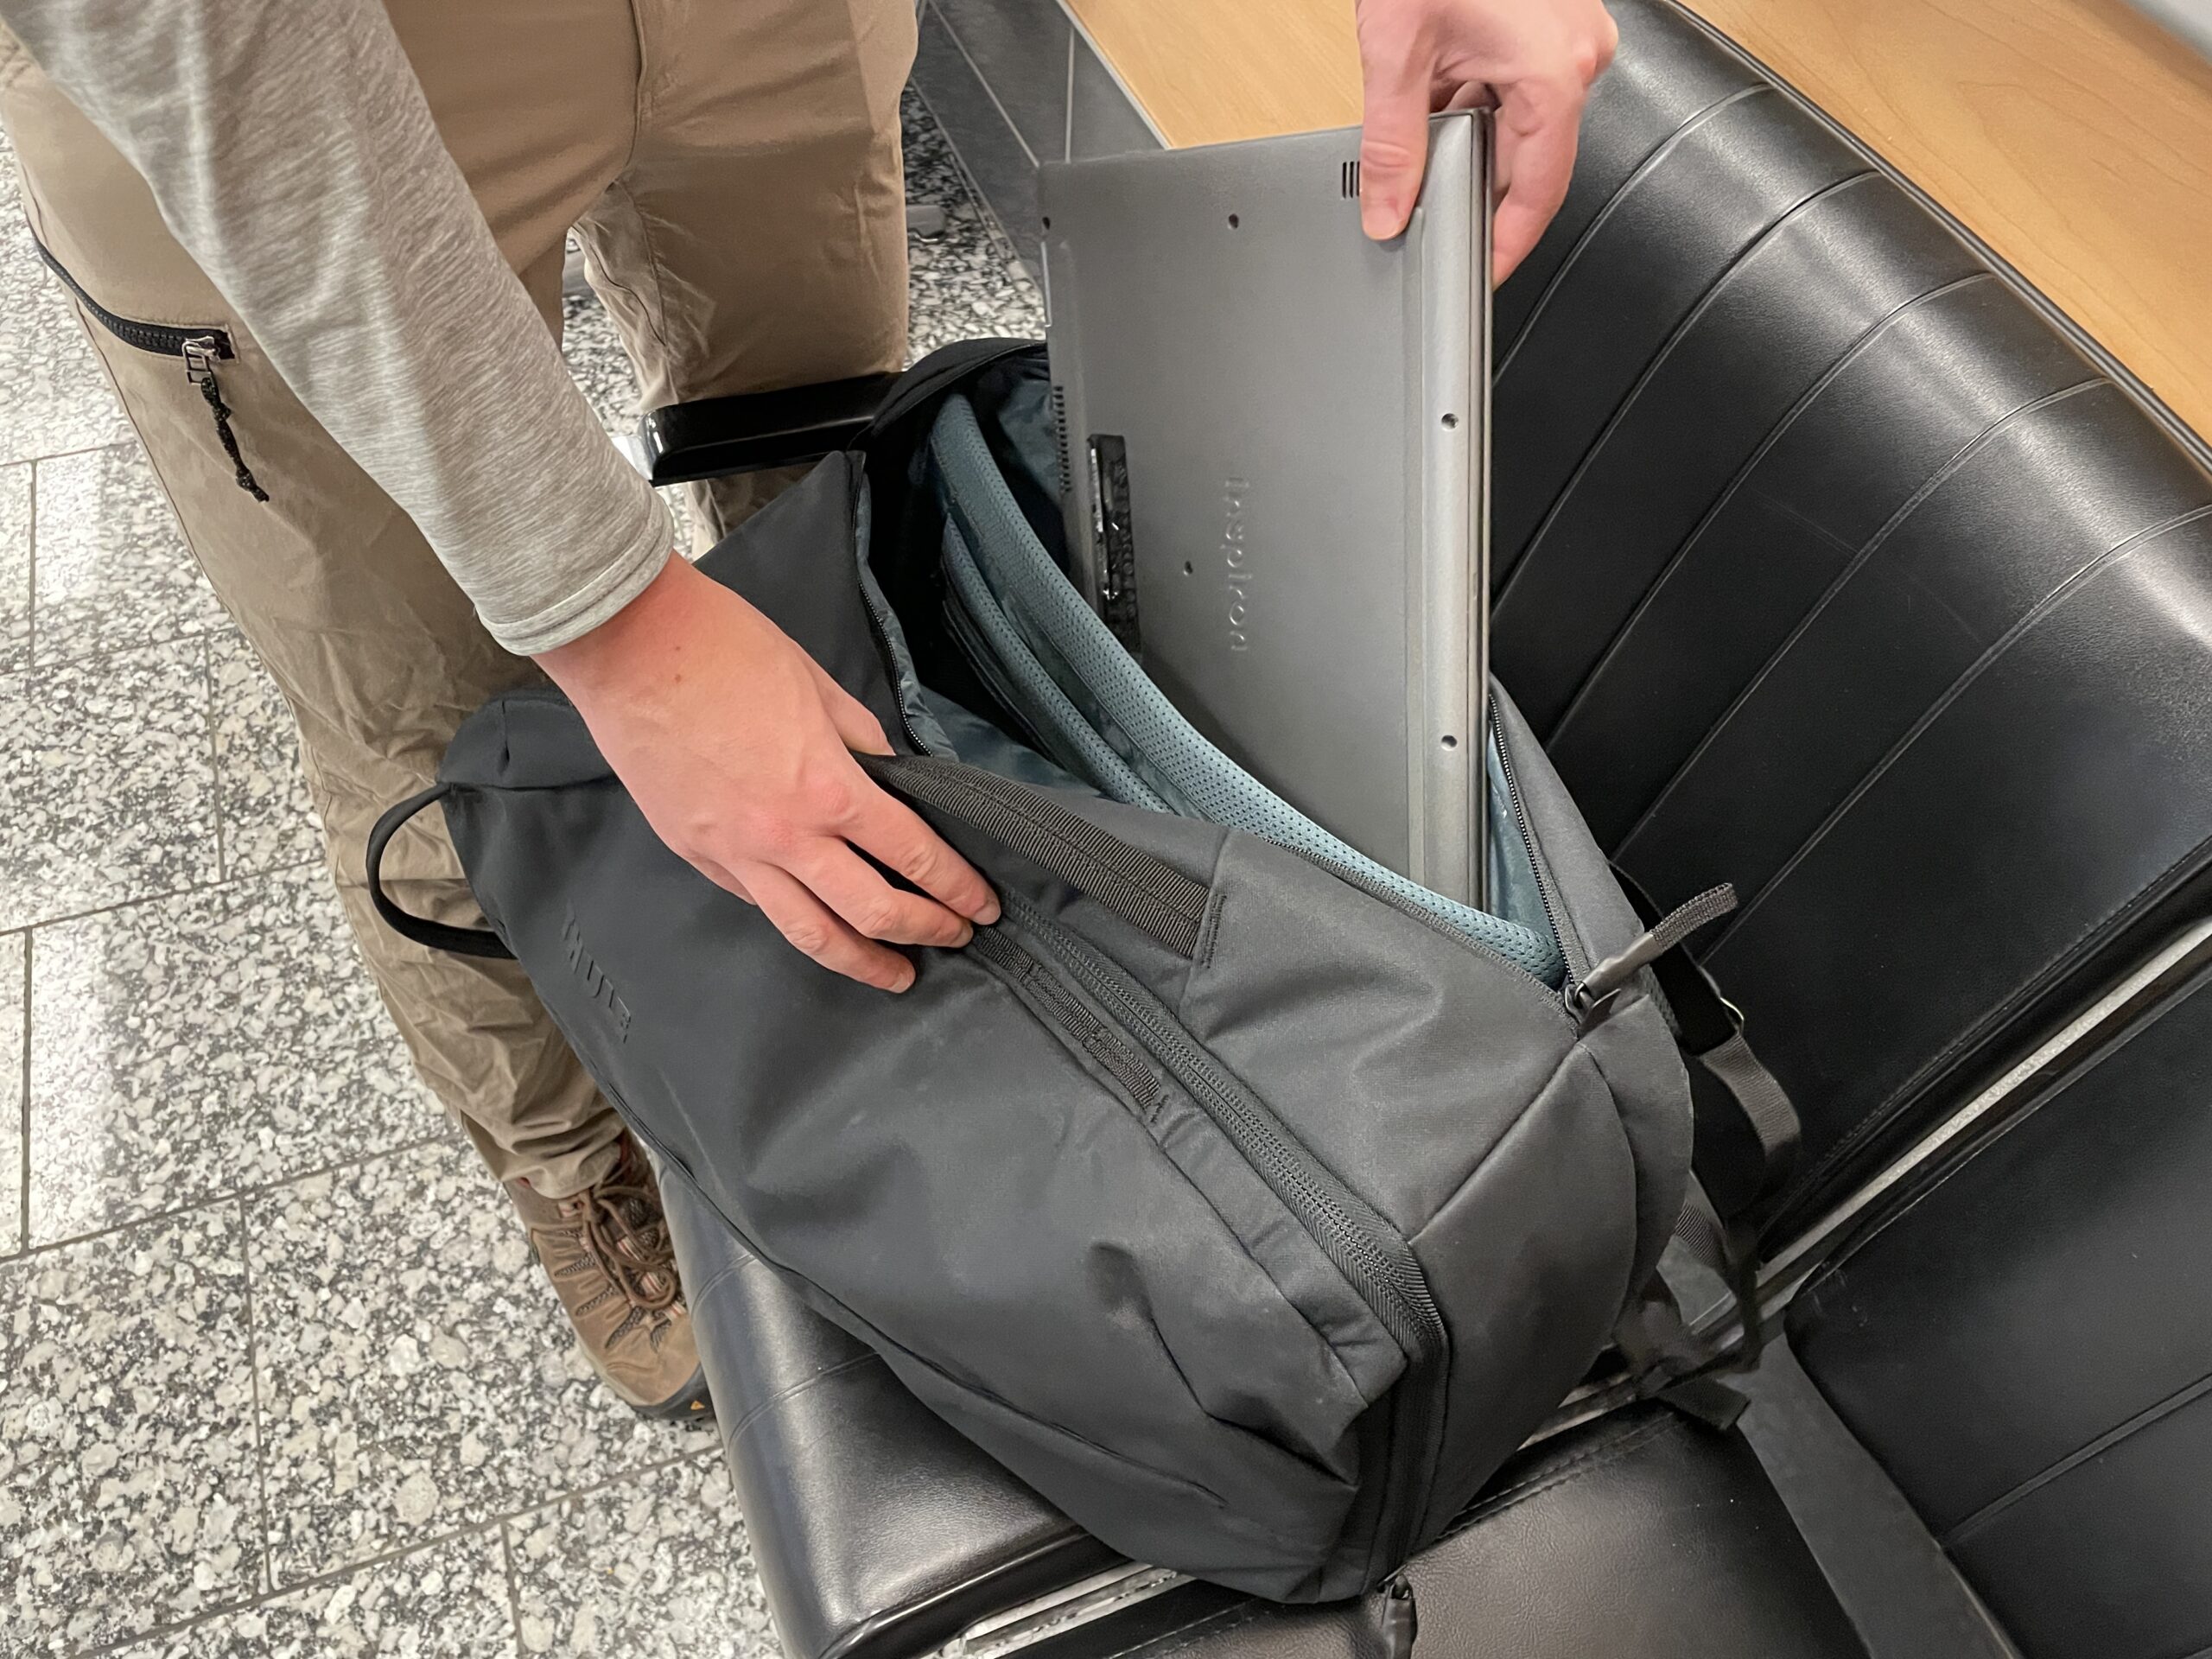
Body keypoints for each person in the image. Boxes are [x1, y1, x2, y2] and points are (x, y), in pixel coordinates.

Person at [0, 0, 1616, 1421]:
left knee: (845, 554)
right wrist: (611, 628)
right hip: (267, 83)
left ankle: (887, 1021)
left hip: (775, 30)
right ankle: (579, 1170)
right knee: (443, 722)